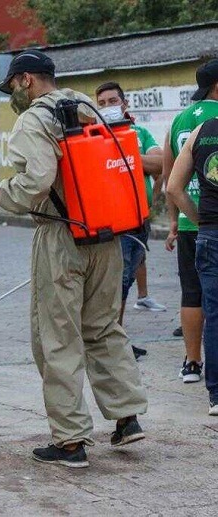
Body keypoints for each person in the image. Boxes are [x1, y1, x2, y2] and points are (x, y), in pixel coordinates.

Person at [0, 50, 148, 468]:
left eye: (12, 87)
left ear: (26, 80)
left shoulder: (34, 119)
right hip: (106, 233)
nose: (12, 97)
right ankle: (127, 417)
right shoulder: (89, 106)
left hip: (60, 235)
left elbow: (35, 180)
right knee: (104, 327)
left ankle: (70, 441)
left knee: (57, 337)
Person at [95, 82, 165, 358]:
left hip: (140, 220)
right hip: (114, 222)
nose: (107, 107)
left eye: (112, 101)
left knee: (126, 281)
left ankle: (118, 338)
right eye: (101, 103)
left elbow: (159, 163)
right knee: (116, 283)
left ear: (124, 105)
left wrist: (126, 153)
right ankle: (112, 344)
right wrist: (135, 160)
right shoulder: (94, 136)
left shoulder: (140, 133)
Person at [163, 59, 218, 384]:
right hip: (212, 220)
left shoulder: (180, 120)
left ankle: (192, 363)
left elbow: (170, 177)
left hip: (188, 221)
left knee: (192, 293)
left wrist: (175, 220)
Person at [168, 115, 218, 415]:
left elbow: (173, 188)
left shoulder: (203, 131)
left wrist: (202, 221)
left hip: (211, 236)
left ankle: (216, 395)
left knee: (214, 314)